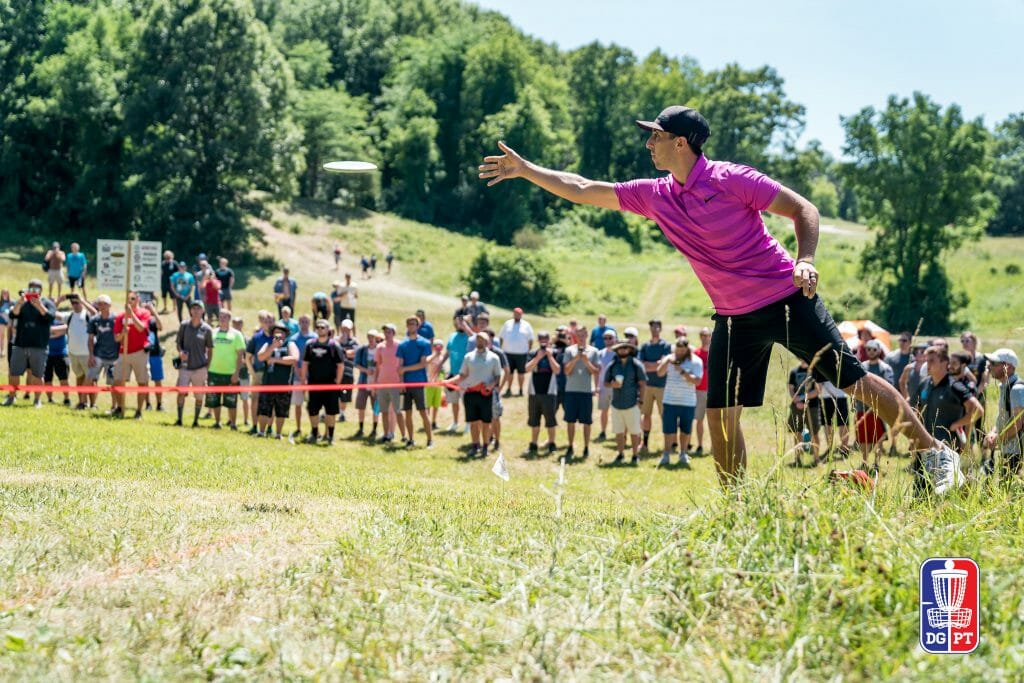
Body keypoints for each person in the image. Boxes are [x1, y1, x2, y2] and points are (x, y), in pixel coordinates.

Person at [479, 104, 964, 494]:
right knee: (719, 414)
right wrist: (526, 170)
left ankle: (934, 455)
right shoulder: (655, 194)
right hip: (733, 318)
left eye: (656, 135)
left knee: (854, 382)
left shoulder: (733, 179)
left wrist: (807, 258)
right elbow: (585, 188)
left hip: (787, 298)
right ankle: (738, 507)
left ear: (681, 143)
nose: (649, 143)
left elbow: (803, 209)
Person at [918, 346, 983, 458]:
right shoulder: (925, 383)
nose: (927, 364)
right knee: (920, 475)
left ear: (944, 363)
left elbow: (978, 410)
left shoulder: (954, 386)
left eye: (931, 360)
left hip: (947, 448)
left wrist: (957, 425)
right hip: (924, 445)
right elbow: (916, 409)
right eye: (926, 360)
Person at [657, 337, 703, 468]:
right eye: (677, 351)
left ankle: (683, 454)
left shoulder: (696, 361)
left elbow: (697, 381)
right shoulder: (670, 358)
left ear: (687, 349)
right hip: (669, 400)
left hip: (687, 402)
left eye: (682, 351)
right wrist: (666, 362)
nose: (679, 353)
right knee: (668, 430)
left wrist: (682, 371)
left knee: (685, 430)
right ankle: (666, 454)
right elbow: (659, 373)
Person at [454, 332, 502, 458]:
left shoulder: (494, 358)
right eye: (478, 339)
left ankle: (485, 446)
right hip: (471, 393)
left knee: (486, 422)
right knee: (473, 422)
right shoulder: (469, 357)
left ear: (487, 342)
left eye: (482, 340)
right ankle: (475, 445)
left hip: (486, 394)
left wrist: (491, 385)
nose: (480, 342)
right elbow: (462, 374)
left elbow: (497, 376)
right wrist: (449, 382)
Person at [603, 339, 647, 465]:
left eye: (625, 348)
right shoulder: (612, 364)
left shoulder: (636, 364)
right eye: (620, 348)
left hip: (632, 403)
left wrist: (641, 401)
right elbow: (605, 383)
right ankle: (620, 454)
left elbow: (643, 384)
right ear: (617, 350)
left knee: (634, 431)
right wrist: (613, 384)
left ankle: (634, 455)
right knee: (619, 431)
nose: (623, 350)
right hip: (616, 403)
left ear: (630, 349)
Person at [854, 339, 896, 472]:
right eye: (868, 349)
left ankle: (877, 464)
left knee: (878, 437)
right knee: (862, 437)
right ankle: (864, 462)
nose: (871, 352)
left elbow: (888, 387)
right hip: (861, 407)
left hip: (878, 409)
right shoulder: (861, 367)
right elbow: (856, 385)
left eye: (874, 349)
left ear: (879, 351)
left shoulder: (885, 368)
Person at [301, 318, 343, 445]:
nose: (320, 329)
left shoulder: (334, 346)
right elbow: (305, 363)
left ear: (328, 330)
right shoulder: (310, 344)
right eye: (318, 327)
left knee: (331, 411)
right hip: (314, 383)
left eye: (323, 327)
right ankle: (314, 433)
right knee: (312, 410)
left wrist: (338, 383)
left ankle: (330, 436)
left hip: (330, 384)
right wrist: (303, 379)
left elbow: (340, 365)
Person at [983, 348, 1024, 477]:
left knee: (1010, 491)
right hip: (1009, 448)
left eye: (994, 363)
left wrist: (998, 440)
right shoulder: (1004, 386)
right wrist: (993, 432)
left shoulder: (1016, 389)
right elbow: (1004, 416)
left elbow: (1018, 422)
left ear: (1009, 367)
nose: (989, 367)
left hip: (1017, 451)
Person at [562, 326, 600, 460]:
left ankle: (586, 447)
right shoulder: (569, 350)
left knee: (587, 422)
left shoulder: (594, 351)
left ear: (587, 335)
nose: (581, 337)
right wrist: (576, 358)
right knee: (570, 421)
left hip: (586, 391)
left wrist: (585, 360)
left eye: (584, 334)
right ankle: (570, 446)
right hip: (571, 390)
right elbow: (566, 371)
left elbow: (595, 371)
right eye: (579, 335)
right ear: (575, 336)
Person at [112, 292, 152, 419]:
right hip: (123, 353)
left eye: (133, 299)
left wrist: (131, 314)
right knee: (118, 381)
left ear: (138, 299)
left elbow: (141, 328)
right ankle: (119, 407)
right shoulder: (120, 317)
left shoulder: (144, 313)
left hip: (139, 352)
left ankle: (139, 411)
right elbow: (117, 339)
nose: (131, 301)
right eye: (128, 299)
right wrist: (123, 333)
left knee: (142, 382)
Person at [257, 321, 299, 438]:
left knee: (281, 411)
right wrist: (273, 347)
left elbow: (294, 358)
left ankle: (278, 434)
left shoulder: (290, 345)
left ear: (285, 334)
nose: (279, 335)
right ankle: (261, 432)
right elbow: (260, 357)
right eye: (276, 333)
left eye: (281, 333)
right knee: (264, 409)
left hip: (284, 384)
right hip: (267, 383)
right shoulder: (268, 344)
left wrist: (276, 360)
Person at [204, 310, 246, 430]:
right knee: (214, 399)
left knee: (231, 400)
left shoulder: (237, 334)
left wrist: (236, 372)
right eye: (220, 317)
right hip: (213, 371)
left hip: (230, 373)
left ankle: (233, 424)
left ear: (229, 319)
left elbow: (240, 355)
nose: (222, 319)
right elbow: (208, 352)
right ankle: (217, 422)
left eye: (225, 317)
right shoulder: (212, 333)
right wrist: (206, 370)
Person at [175, 302, 213, 427]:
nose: (196, 311)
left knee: (199, 396)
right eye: (194, 308)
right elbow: (178, 343)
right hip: (185, 367)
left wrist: (207, 367)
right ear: (190, 311)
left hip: (200, 367)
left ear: (203, 311)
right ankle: (179, 419)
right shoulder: (184, 325)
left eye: (199, 308)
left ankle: (196, 421)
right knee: (181, 393)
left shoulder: (207, 329)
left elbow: (210, 349)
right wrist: (180, 352)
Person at [398, 317, 434, 448]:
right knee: (407, 412)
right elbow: (399, 367)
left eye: (414, 324)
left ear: (417, 326)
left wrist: (405, 369)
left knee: (423, 412)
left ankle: (430, 440)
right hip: (406, 385)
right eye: (409, 324)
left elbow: (422, 364)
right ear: (407, 326)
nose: (411, 326)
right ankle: (410, 439)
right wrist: (401, 382)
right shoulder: (403, 345)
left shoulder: (424, 343)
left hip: (419, 383)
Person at [525, 331, 561, 455]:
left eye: (545, 338)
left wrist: (550, 356)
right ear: (538, 340)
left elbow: (557, 370)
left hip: (550, 391)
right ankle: (533, 444)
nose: (543, 340)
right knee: (534, 420)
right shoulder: (533, 353)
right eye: (541, 338)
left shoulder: (555, 353)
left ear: (549, 339)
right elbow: (527, 369)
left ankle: (552, 444)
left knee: (550, 420)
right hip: (534, 391)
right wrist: (538, 357)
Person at [639, 319, 672, 454]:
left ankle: (668, 444)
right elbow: (642, 366)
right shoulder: (645, 346)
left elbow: (664, 365)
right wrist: (656, 365)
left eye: (657, 327)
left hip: (662, 386)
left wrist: (649, 365)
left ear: (660, 329)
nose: (655, 330)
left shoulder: (665, 346)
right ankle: (645, 443)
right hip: (647, 386)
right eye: (653, 327)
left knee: (664, 416)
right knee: (646, 415)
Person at [84, 295, 118, 410]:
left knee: (114, 383)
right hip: (98, 354)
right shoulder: (94, 320)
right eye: (100, 304)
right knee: (89, 378)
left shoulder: (116, 319)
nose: (102, 306)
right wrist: (91, 355)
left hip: (114, 356)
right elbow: (90, 339)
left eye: (105, 304)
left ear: (110, 305)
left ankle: (114, 407)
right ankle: (84, 403)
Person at [786, 359, 822, 467]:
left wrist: (805, 400)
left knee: (814, 433)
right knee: (797, 432)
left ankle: (816, 459)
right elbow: (791, 389)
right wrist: (796, 400)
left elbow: (818, 390)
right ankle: (798, 459)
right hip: (796, 407)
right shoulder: (794, 372)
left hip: (812, 407)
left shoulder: (815, 371)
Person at [63, 293, 95, 409]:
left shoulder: (87, 315)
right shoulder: (70, 316)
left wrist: (83, 301)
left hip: (87, 354)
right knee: (79, 378)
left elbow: (96, 313)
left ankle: (93, 404)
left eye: (77, 302)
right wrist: (59, 300)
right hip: (73, 354)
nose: (75, 305)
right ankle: (82, 403)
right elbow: (53, 314)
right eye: (73, 303)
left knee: (91, 380)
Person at [373, 323, 404, 444]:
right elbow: (377, 366)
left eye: (389, 331)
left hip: (395, 382)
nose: (387, 334)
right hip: (382, 382)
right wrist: (375, 383)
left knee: (397, 410)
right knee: (384, 411)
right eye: (385, 331)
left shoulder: (400, 346)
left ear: (394, 333)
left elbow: (402, 364)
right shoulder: (380, 347)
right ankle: (386, 434)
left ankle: (400, 434)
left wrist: (402, 381)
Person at [288, 315, 316, 440]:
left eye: (306, 321)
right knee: (298, 404)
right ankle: (298, 427)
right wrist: (298, 370)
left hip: (313, 377)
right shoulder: (294, 338)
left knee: (313, 404)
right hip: (297, 376)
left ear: (309, 323)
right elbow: (294, 358)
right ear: (299, 323)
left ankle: (313, 428)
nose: (304, 324)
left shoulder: (315, 338)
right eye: (302, 321)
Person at [244, 312, 273, 433]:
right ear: (262, 322)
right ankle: (255, 426)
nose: (268, 323)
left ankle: (270, 427)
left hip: (273, 374)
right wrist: (253, 373)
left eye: (271, 321)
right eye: (266, 321)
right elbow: (248, 357)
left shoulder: (278, 337)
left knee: (271, 400)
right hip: (258, 373)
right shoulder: (256, 337)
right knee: (255, 400)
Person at [498, 307, 534, 397]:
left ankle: (521, 390)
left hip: (522, 354)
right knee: (509, 373)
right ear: (513, 314)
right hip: (508, 353)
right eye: (515, 313)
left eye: (519, 314)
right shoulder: (507, 324)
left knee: (521, 373)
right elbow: (501, 337)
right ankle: (508, 389)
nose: (517, 315)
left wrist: (528, 350)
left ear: (521, 314)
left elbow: (531, 339)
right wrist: (501, 349)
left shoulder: (526, 325)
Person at [442, 317, 470, 432]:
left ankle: (468, 424)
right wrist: (440, 365)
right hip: (453, 375)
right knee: (454, 401)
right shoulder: (452, 336)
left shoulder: (471, 338)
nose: (460, 325)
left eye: (463, 323)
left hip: (465, 375)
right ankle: (455, 422)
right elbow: (447, 353)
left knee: (466, 402)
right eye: (459, 323)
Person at [353, 329, 381, 439]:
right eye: (369, 336)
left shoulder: (380, 349)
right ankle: (361, 428)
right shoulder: (362, 349)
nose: (371, 339)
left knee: (376, 407)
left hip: (376, 383)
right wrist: (365, 370)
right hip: (364, 381)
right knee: (361, 406)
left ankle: (374, 429)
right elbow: (356, 364)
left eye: (373, 337)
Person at [484, 328, 508, 451]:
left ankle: (496, 440)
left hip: (493, 391)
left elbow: (507, 371)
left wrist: (500, 387)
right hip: (481, 391)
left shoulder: (498, 353)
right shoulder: (478, 352)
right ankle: (487, 439)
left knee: (495, 417)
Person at [692, 327, 712, 457]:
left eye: (707, 335)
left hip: (712, 392)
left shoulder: (714, 352)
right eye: (703, 335)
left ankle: (714, 446)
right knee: (699, 420)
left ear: (711, 336)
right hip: (698, 391)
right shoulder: (696, 353)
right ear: (700, 337)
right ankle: (699, 445)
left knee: (713, 421)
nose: (705, 337)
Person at [43, 311, 70, 405]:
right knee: (47, 378)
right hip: (46, 354)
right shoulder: (44, 319)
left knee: (64, 378)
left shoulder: (61, 318)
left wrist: (49, 331)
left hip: (61, 354)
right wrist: (55, 332)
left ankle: (67, 399)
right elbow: (42, 332)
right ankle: (50, 399)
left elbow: (66, 328)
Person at [596, 329, 618, 442]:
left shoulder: (618, 353)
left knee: (617, 412)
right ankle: (603, 431)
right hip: (603, 387)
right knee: (604, 410)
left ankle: (617, 432)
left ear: (615, 339)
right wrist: (597, 386)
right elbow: (597, 372)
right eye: (605, 338)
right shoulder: (600, 353)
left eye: (610, 338)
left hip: (616, 388)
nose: (608, 340)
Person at [143, 301, 165, 411]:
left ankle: (159, 404)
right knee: (145, 380)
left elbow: (161, 326)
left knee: (158, 380)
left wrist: (153, 312)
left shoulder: (153, 321)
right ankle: (147, 404)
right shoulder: (142, 319)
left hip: (155, 354)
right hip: (144, 354)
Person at [231, 315, 252, 427]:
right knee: (232, 398)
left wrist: (246, 362)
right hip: (232, 371)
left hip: (244, 372)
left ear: (242, 325)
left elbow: (251, 355)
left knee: (244, 398)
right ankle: (231, 419)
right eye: (234, 323)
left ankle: (245, 420)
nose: (236, 325)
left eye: (239, 323)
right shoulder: (230, 338)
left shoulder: (247, 340)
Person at [336, 319, 359, 421]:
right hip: (335, 372)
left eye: (348, 329)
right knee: (333, 393)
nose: (346, 331)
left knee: (344, 394)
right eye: (344, 328)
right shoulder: (336, 340)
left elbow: (353, 353)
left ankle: (342, 414)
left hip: (347, 372)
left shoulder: (354, 342)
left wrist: (340, 351)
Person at [425, 339, 446, 430]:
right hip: (429, 383)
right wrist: (434, 355)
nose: (438, 348)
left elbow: (443, 371)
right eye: (436, 346)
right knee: (428, 405)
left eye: (440, 346)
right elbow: (427, 361)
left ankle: (434, 422)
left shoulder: (442, 358)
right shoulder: (430, 356)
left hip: (438, 384)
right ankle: (427, 421)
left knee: (436, 405)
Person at [0, 289, 12, 357]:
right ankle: (1, 351)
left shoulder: (11, 302)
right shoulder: (0, 302)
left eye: (6, 293)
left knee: (9, 336)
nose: (5, 295)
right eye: (3, 293)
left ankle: (9, 351)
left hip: (8, 321)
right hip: (1, 320)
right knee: (1, 336)